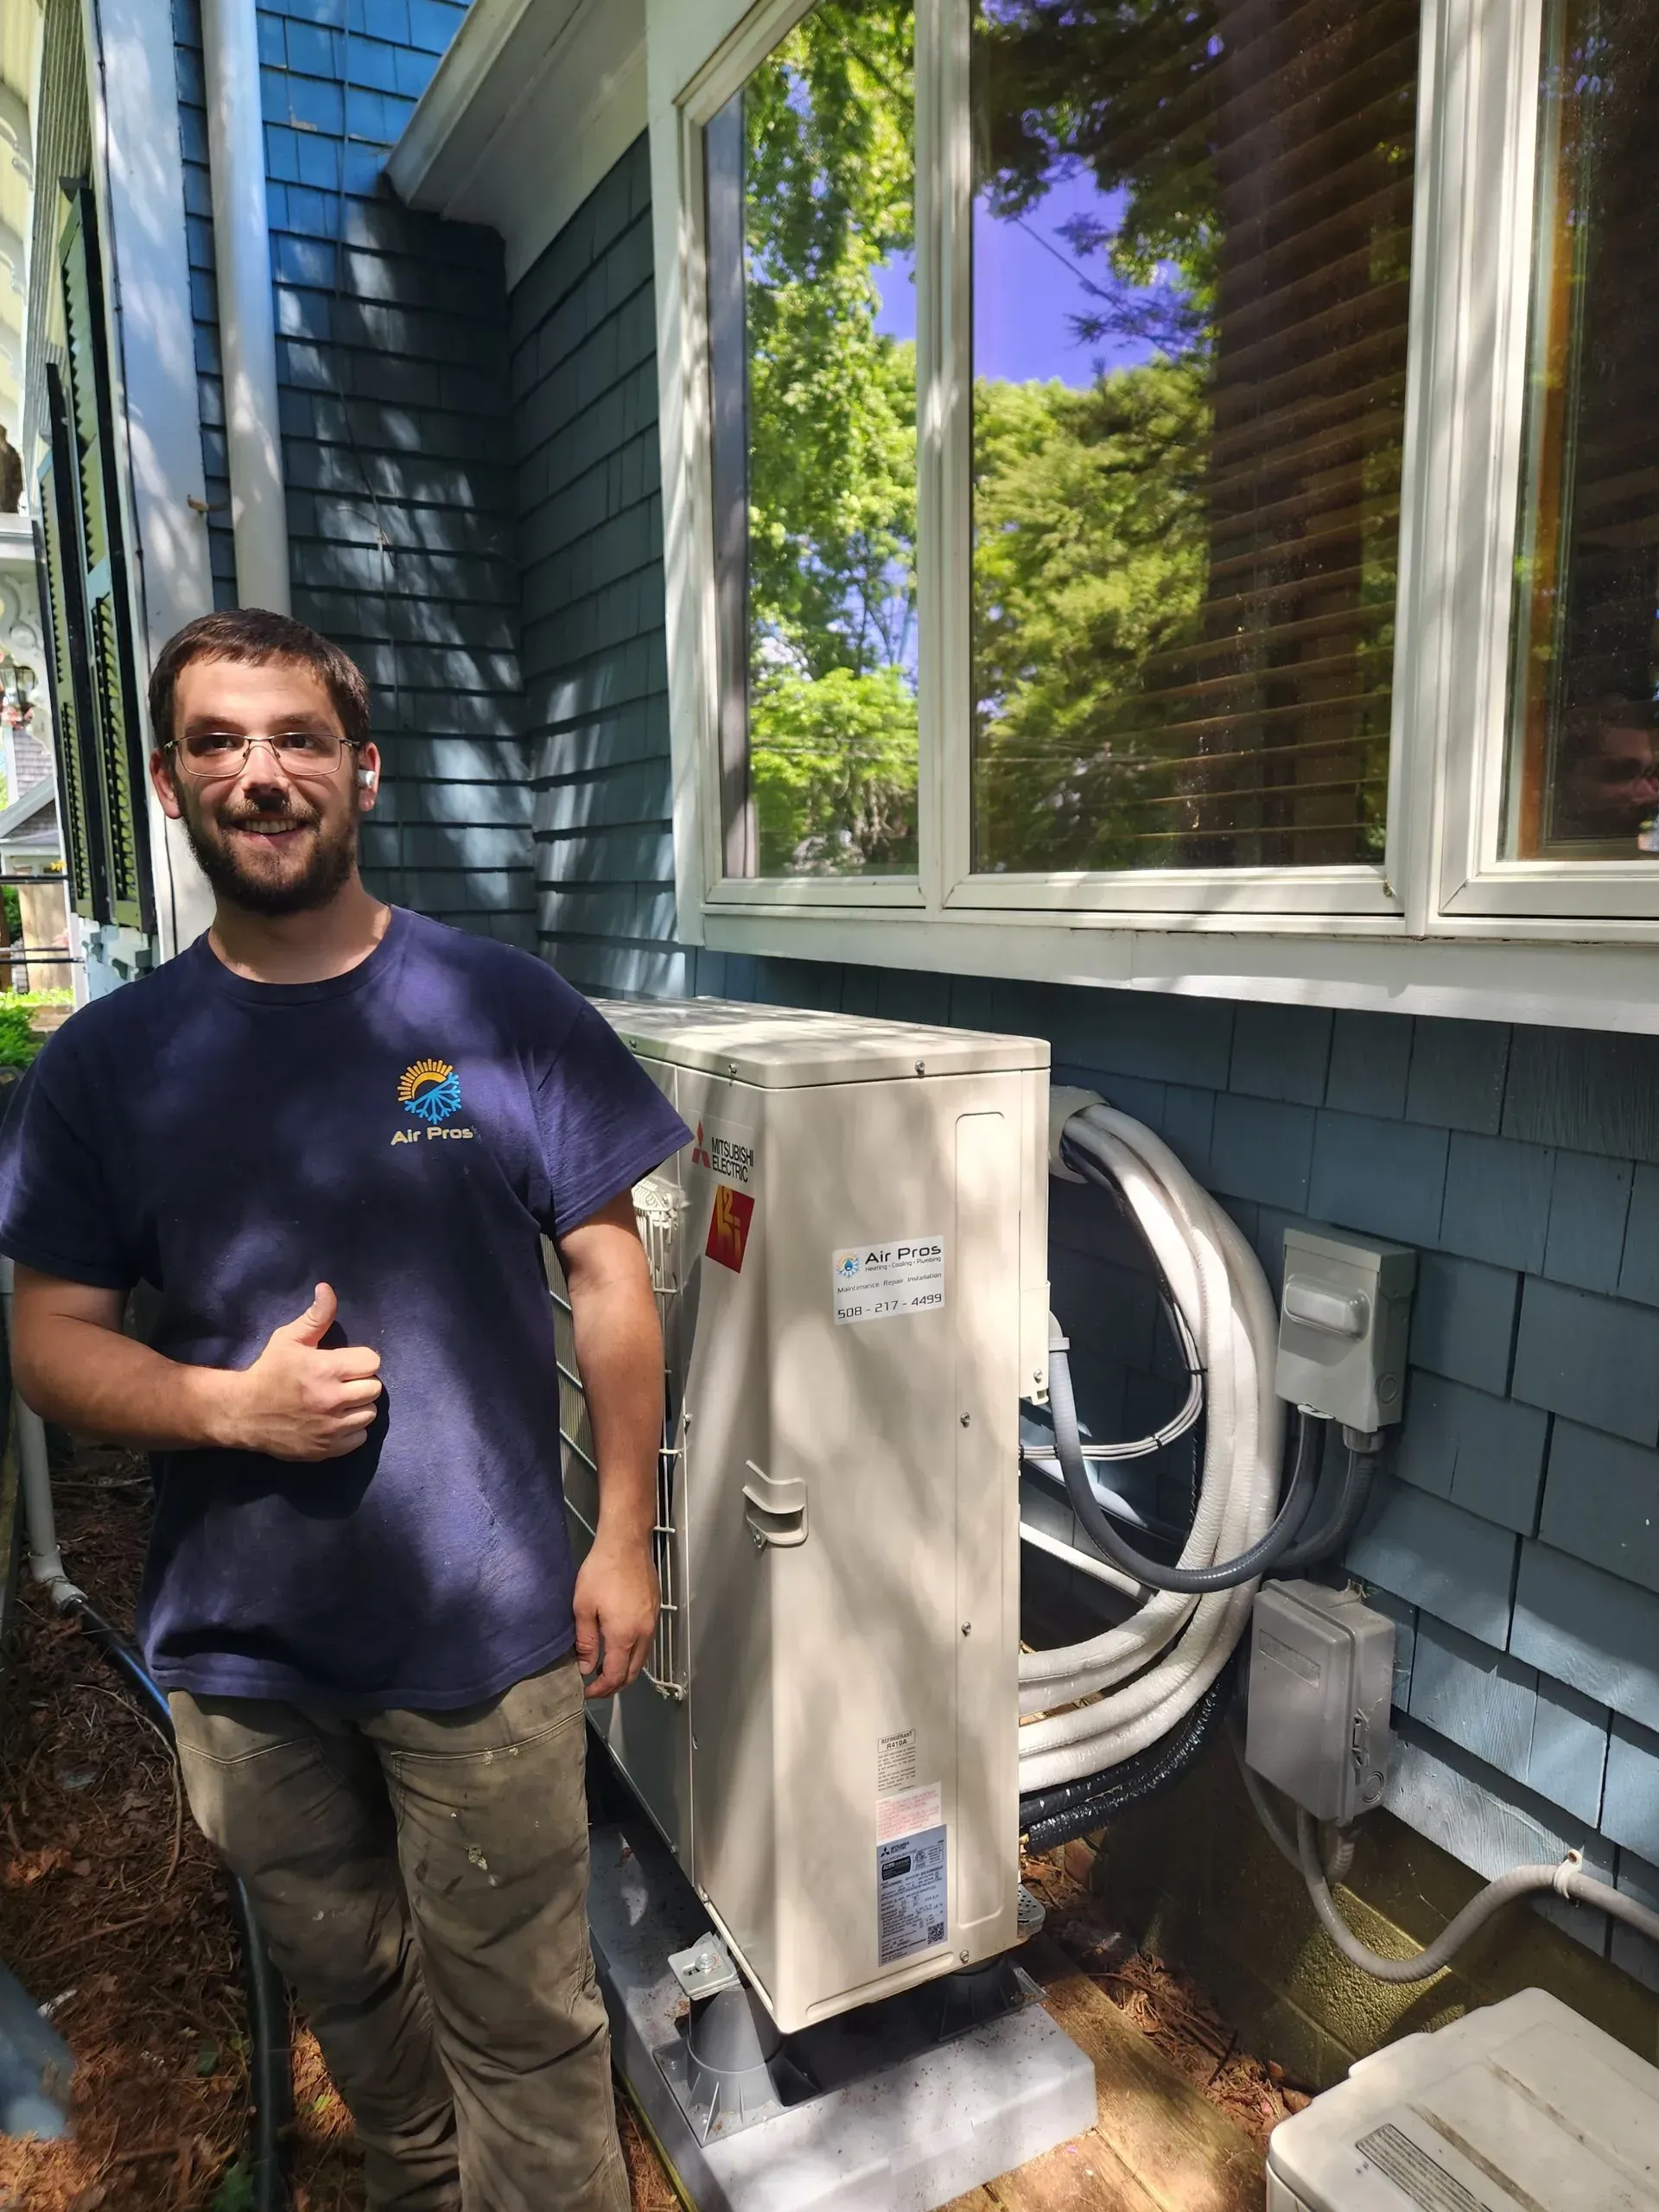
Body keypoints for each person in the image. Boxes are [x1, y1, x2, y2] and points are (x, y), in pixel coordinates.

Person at [0, 608, 690, 2211]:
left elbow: (608, 1274)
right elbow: (46, 1341)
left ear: (361, 770)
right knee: (360, 2002)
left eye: (299, 739)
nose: (264, 773)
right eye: (222, 744)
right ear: (171, 785)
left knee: (523, 2019)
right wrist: (231, 1411)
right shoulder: (107, 1069)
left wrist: (630, 1539)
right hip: (246, 1659)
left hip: (486, 1635)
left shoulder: (497, 1006)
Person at [0, 424, 22, 514]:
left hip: (8, 507)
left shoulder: (10, 453)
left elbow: (19, 480)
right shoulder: (10, 453)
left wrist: (12, 499)